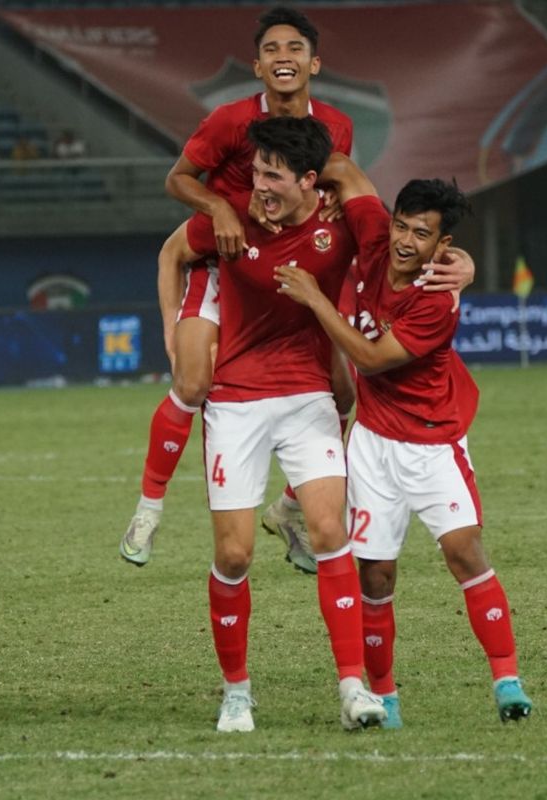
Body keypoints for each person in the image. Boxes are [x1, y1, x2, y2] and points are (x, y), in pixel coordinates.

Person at [120, 6, 474, 571]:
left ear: (315, 62)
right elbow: (177, 185)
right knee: (193, 379)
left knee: (344, 391)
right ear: (257, 66)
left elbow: (355, 203)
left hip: (300, 264)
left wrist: (458, 260)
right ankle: (148, 509)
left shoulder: (337, 127)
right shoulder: (229, 121)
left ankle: (288, 508)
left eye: (294, 49)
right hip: (230, 261)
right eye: (272, 50)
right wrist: (219, 209)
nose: (283, 58)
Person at [274, 153, 533, 727]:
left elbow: (369, 358)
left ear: (443, 247)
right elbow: (342, 166)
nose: (405, 240)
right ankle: (385, 697)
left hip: (433, 445)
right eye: (401, 225)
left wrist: (316, 297)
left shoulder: (436, 296)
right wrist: (304, 180)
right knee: (375, 576)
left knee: (463, 552)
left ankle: (507, 680)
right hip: (371, 445)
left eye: (422, 233)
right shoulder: (372, 238)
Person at [160, 116, 385, 732]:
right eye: (256, 170)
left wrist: (460, 265)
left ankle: (352, 688)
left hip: (307, 396)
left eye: (273, 175)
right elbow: (174, 253)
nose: (259, 184)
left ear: (311, 181)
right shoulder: (229, 217)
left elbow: (395, 246)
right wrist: (172, 331)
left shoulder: (334, 232)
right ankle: (236, 691)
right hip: (234, 401)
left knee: (329, 530)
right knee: (233, 555)